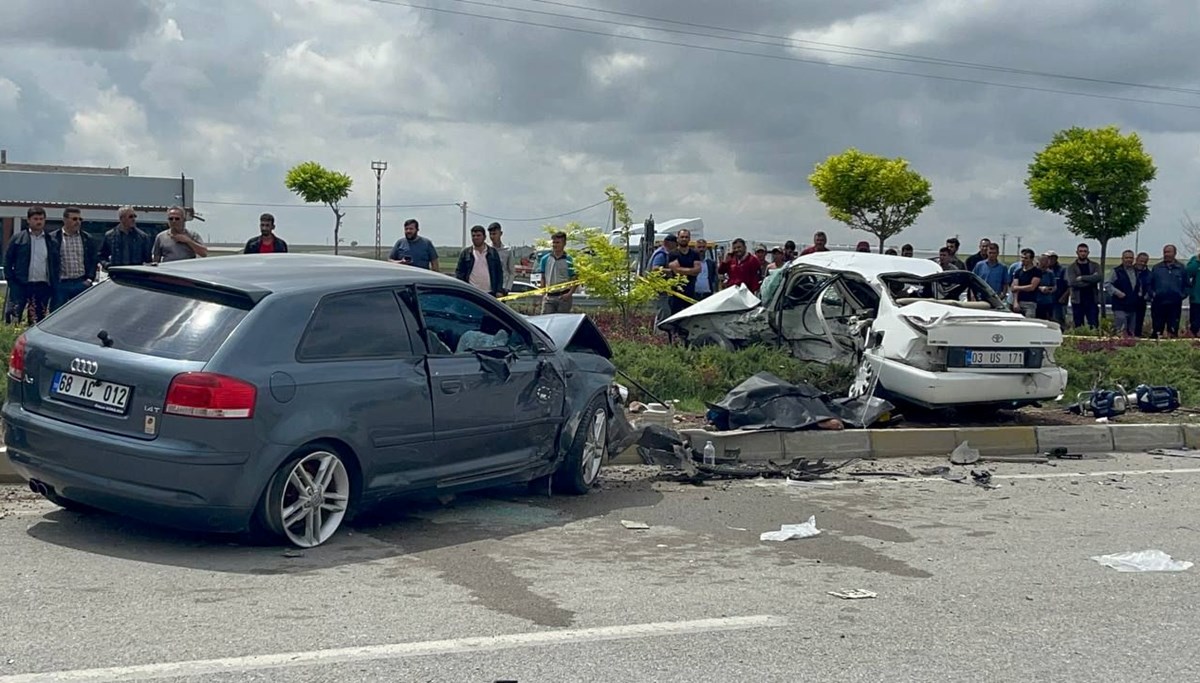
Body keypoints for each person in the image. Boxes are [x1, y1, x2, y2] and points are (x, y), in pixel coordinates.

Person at [4, 206, 59, 323]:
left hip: (42, 285)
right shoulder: (18, 238)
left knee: (37, 319)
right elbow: (8, 260)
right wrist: (11, 280)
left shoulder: (51, 240)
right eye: (35, 219)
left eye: (41, 219)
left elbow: (55, 263)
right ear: (28, 220)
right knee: (13, 315)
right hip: (21, 284)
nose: (39, 221)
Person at [53, 206, 99, 310]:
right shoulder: (54, 238)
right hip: (61, 284)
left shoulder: (87, 238)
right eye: (74, 219)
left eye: (80, 219)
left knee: (82, 313)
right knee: (58, 314)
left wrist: (89, 279)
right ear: (65, 220)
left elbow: (93, 259)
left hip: (81, 283)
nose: (78, 222)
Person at [1104, 250, 1149, 336]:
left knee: (1132, 332)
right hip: (1120, 306)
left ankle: (1130, 348)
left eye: (1131, 258)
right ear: (1122, 259)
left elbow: (1139, 285)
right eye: (1127, 258)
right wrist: (1117, 292)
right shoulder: (1116, 271)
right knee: (1121, 331)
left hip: (1133, 307)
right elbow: (1107, 284)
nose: (1129, 260)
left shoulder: (1136, 271)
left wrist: (1140, 293)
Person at [1149, 244, 1187, 339]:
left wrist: (1182, 295)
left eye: (1169, 252)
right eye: (1165, 252)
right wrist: (1153, 294)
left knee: (1173, 330)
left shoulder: (1181, 268)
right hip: (1159, 303)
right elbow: (1149, 284)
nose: (1166, 254)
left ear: (1174, 253)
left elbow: (1187, 285)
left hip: (1175, 304)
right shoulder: (1157, 268)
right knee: (1157, 330)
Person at [454, 225, 505, 296]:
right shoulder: (466, 253)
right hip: (471, 292)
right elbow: (459, 273)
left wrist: (499, 290)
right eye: (473, 236)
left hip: (490, 293)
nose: (476, 238)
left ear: (484, 237)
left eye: (478, 235)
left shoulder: (493, 253)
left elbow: (499, 272)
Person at [99, 205, 153, 270]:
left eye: (134, 216)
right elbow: (101, 256)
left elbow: (148, 260)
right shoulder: (110, 236)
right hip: (116, 274)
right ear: (122, 218)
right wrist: (107, 265)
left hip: (136, 275)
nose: (133, 219)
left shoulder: (142, 237)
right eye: (130, 217)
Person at [534, 231, 576, 314]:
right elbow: (543, 277)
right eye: (554, 242)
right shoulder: (545, 259)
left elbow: (574, 278)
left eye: (558, 242)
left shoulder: (569, 260)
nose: (555, 245)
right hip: (549, 297)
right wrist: (543, 293)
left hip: (564, 296)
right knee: (545, 320)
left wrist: (570, 293)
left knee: (561, 322)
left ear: (564, 244)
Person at [1066, 243, 1101, 329]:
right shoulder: (1071, 267)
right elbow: (1073, 283)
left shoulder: (1095, 265)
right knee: (1078, 325)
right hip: (1077, 301)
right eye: (1081, 251)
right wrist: (1091, 281)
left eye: (1085, 251)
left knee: (1094, 325)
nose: (1083, 253)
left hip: (1092, 300)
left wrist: (1082, 278)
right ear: (1077, 252)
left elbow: (1098, 277)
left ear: (1088, 253)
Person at [668, 228, 702, 313]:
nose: (684, 239)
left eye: (686, 237)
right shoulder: (673, 254)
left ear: (689, 239)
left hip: (691, 291)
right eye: (682, 237)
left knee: (690, 318)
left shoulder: (695, 254)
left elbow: (698, 270)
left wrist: (682, 270)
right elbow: (676, 270)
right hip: (676, 292)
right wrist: (691, 271)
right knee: (675, 318)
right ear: (678, 238)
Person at [1010, 248, 1042, 318]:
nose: (1023, 260)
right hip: (1019, 301)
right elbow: (1014, 288)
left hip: (1030, 303)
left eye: (1026, 258)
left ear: (1031, 259)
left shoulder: (1036, 272)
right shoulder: (1018, 272)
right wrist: (1015, 302)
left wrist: (1018, 287)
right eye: (1022, 257)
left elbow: (1032, 287)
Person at [487, 222, 515, 293]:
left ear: (501, 233)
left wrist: (508, 288)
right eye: (490, 234)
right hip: (488, 287)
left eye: (494, 234)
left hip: (502, 287)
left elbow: (511, 271)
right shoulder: (486, 249)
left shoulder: (508, 250)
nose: (492, 237)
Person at [1046, 251, 1068, 329]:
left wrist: (1064, 297)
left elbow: (1069, 286)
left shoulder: (1062, 270)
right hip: (1046, 301)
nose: (1050, 260)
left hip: (1059, 301)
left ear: (1056, 259)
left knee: (1059, 321)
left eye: (1052, 258)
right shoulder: (1043, 270)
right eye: (1048, 258)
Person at [1035, 253, 1059, 321]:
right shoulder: (1033, 272)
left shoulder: (1050, 273)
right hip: (1036, 301)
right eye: (1043, 265)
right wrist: (1040, 288)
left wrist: (1050, 290)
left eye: (1046, 265)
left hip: (1047, 301)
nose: (1045, 267)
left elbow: (1054, 286)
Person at [1134, 252, 1151, 336]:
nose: (1142, 263)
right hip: (1129, 301)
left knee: (1139, 322)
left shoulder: (1149, 274)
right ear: (1136, 260)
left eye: (1145, 262)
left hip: (1141, 302)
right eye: (1141, 261)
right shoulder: (1130, 271)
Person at [1187, 248, 1200, 337]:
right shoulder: (1195, 260)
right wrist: (1198, 261)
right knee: (1195, 325)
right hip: (1197, 300)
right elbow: (1188, 272)